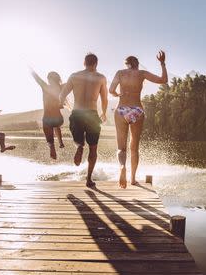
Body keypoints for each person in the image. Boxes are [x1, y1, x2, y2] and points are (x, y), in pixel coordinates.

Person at [109, 51, 168, 188]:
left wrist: (117, 93)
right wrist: (162, 63)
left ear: (127, 64)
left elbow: (111, 89)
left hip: (122, 109)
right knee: (134, 146)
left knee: (121, 147)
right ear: (137, 65)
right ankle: (133, 179)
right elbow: (163, 80)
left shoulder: (120, 73)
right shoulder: (142, 74)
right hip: (137, 110)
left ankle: (122, 167)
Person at [60, 53, 108, 188]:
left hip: (77, 113)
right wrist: (103, 113)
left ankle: (79, 147)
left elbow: (62, 95)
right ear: (96, 64)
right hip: (92, 115)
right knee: (93, 148)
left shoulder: (74, 76)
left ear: (84, 63)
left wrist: (68, 106)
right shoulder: (101, 78)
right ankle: (88, 179)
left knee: (78, 140)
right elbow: (104, 99)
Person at [31, 69, 66, 159]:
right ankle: (61, 142)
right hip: (58, 119)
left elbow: (37, 78)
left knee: (48, 125)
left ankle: (52, 147)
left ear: (50, 79)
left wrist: (31, 70)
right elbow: (73, 82)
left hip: (48, 118)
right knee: (56, 125)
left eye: (48, 79)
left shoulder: (45, 87)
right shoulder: (61, 87)